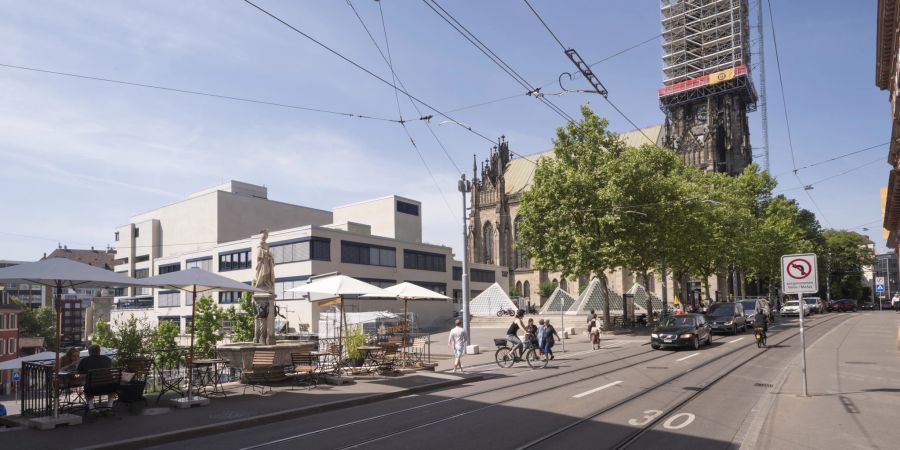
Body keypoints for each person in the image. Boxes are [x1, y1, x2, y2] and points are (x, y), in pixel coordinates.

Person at [77, 344, 114, 410]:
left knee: (87, 385)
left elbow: (79, 372)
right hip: (109, 387)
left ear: (89, 352)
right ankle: (109, 407)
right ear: (99, 351)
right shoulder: (107, 359)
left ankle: (92, 409)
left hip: (92, 388)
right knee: (110, 387)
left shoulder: (84, 360)